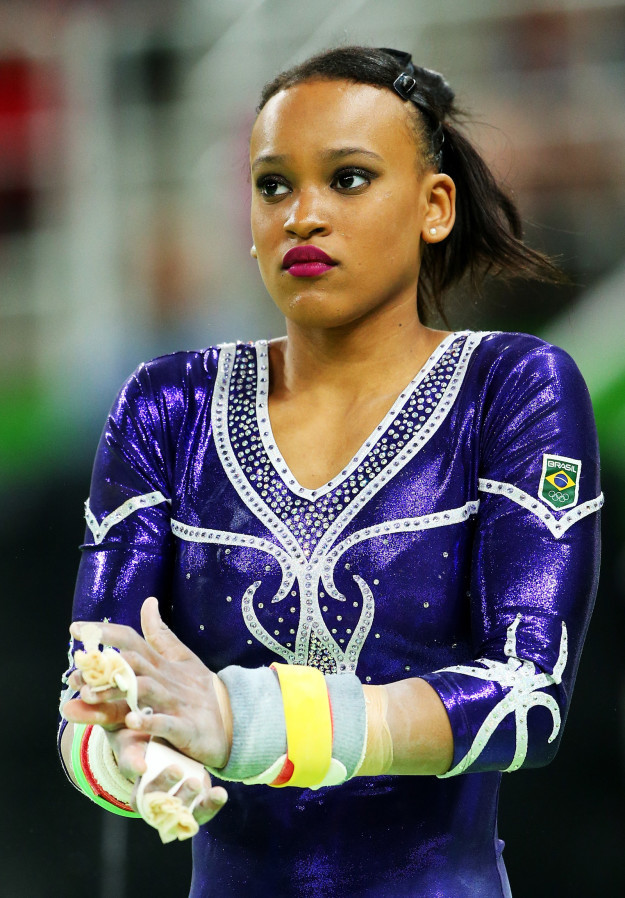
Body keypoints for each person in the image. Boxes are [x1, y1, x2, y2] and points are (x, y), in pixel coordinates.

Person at [58, 46, 602, 897]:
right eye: (273, 185)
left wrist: (247, 723)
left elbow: (527, 698)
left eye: (348, 179)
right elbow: (93, 687)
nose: (302, 216)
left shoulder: (510, 388)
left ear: (433, 206)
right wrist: (138, 758)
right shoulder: (167, 404)